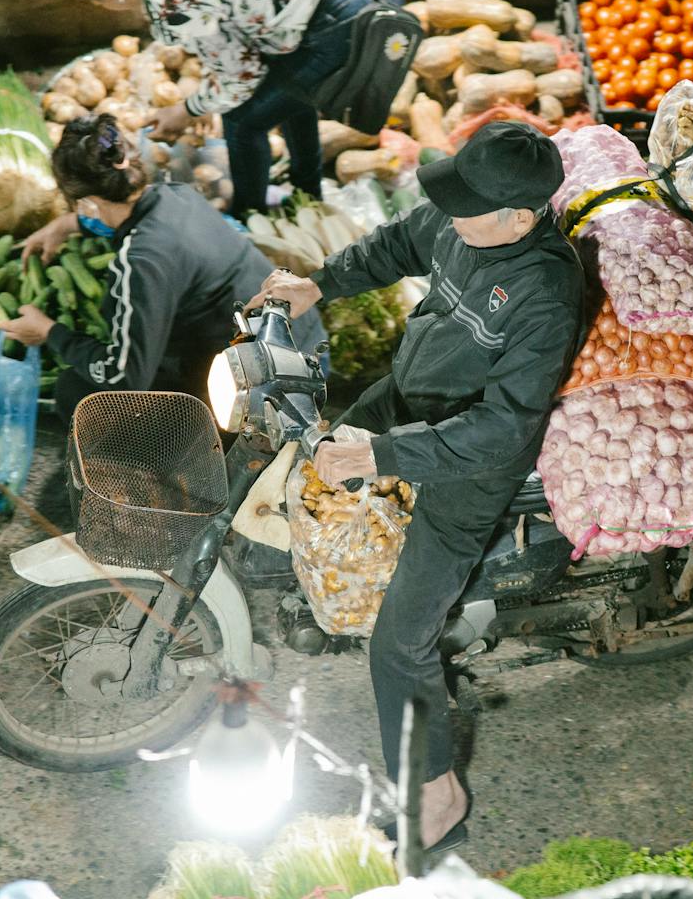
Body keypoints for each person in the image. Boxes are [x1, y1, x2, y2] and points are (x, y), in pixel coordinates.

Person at [250, 122, 583, 852]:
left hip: (470, 467)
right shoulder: (467, 217)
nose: (452, 215)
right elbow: (400, 241)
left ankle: (438, 794)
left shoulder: (546, 294)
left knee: (399, 642)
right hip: (407, 395)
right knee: (312, 468)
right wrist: (319, 282)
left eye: (467, 207)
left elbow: (502, 428)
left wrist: (384, 456)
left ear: (520, 218)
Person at [54, 0, 406, 218]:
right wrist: (209, 91)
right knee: (287, 86)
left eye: (96, 1)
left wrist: (188, 109)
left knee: (243, 120)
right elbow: (235, 22)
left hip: (355, 12)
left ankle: (248, 215)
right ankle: (307, 191)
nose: (102, 7)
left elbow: (242, 79)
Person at [0, 113, 325, 426]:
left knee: (77, 392)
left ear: (87, 203)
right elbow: (132, 221)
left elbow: (124, 378)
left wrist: (50, 332)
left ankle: (177, 469)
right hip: (307, 354)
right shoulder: (176, 194)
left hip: (270, 397)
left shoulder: (139, 262)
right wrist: (70, 225)